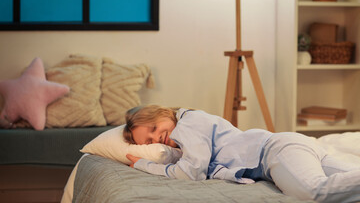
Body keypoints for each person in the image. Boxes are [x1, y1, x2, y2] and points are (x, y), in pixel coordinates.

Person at [124, 105, 360, 203]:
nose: (157, 139)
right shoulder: (188, 131)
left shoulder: (187, 126)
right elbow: (187, 160)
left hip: (273, 152)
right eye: (149, 141)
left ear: (164, 113)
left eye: (154, 128)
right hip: (289, 144)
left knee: (313, 191)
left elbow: (191, 171)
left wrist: (145, 165)